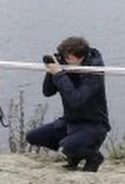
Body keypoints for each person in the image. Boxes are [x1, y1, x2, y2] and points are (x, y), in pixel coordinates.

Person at [25, 36, 110, 172]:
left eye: (67, 58)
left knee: (66, 146)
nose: (64, 61)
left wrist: (59, 74)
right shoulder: (67, 68)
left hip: (94, 125)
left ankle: (93, 157)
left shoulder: (93, 72)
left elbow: (76, 100)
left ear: (79, 58)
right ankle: (74, 156)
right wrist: (51, 71)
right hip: (70, 122)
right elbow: (48, 92)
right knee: (33, 136)